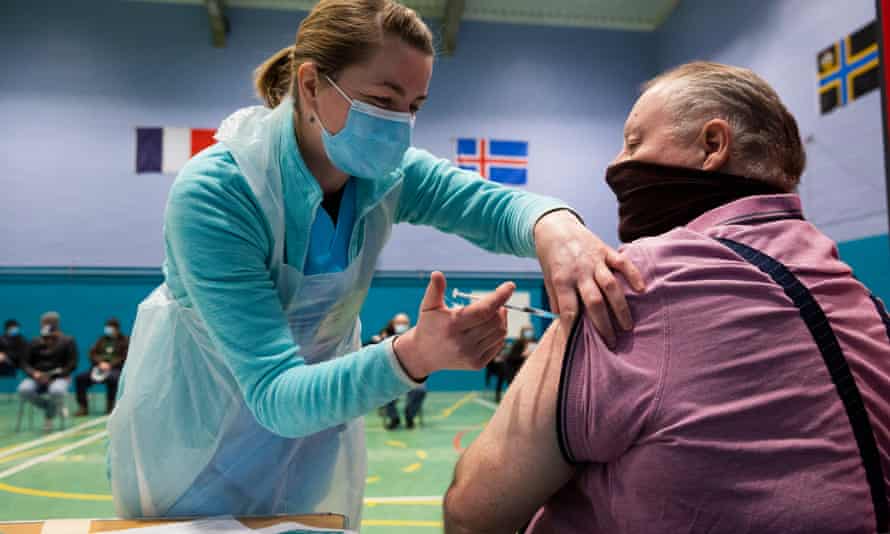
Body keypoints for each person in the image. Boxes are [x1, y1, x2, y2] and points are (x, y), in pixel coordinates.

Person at [108, 0, 644, 523]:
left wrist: (557, 228)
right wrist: (414, 355)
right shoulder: (221, 192)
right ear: (312, 84)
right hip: (196, 446)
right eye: (382, 100)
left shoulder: (382, 177)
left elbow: (493, 205)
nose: (399, 124)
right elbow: (274, 394)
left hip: (311, 437)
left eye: (414, 106)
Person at [443, 62, 890, 534]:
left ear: (712, 146)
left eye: (634, 142)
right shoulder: (863, 302)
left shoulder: (642, 280)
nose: (615, 165)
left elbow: (473, 512)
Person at [19, 312, 78, 431]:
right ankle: (52, 407)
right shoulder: (34, 342)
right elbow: (24, 363)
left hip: (59, 378)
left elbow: (72, 363)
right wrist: (34, 373)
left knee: (56, 391)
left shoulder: (68, 341)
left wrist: (56, 375)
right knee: (24, 389)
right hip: (37, 378)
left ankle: (49, 417)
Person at [379, 313, 426, 429]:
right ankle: (394, 418)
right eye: (399, 323)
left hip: (411, 375)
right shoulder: (385, 337)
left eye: (404, 323)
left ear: (408, 324)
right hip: (391, 375)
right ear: (393, 324)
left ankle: (409, 414)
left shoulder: (415, 337)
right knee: (385, 392)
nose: (401, 325)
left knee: (420, 391)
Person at [74, 318, 128, 416]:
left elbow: (124, 357)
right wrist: (99, 363)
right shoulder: (101, 340)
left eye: (111, 327)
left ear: (117, 328)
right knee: (80, 378)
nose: (108, 329)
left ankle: (111, 407)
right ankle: (83, 407)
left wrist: (110, 365)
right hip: (98, 368)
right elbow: (92, 353)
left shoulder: (124, 341)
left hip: (115, 369)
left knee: (114, 379)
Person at [494, 325, 536, 402]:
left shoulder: (534, 342)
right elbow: (511, 358)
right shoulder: (518, 343)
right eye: (527, 331)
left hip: (526, 368)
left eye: (530, 331)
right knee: (510, 383)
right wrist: (523, 355)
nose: (529, 333)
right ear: (523, 332)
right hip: (512, 368)